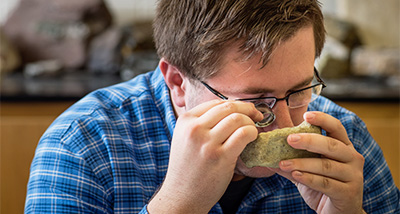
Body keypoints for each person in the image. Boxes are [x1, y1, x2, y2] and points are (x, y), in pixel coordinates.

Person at [25, 0, 399, 213]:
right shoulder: (82, 145)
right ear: (177, 82)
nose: (285, 123)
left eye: (301, 90)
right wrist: (180, 203)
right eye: (256, 100)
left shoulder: (344, 141)